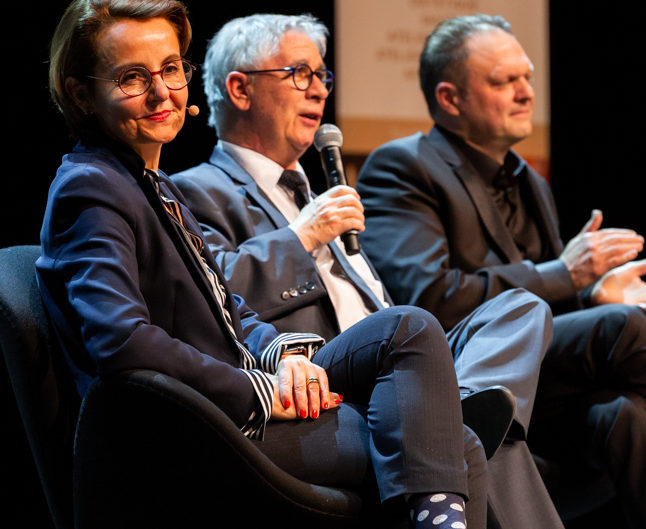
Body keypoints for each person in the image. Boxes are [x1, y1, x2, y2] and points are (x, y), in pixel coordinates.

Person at [35, 2, 508, 528]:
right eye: (131, 78)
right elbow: (121, 342)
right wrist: (258, 391)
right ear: (81, 93)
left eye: (170, 69)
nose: (162, 92)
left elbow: (224, 304)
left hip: (233, 400)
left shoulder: (152, 183)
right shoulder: (90, 186)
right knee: (452, 445)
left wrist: (284, 356)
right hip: (195, 427)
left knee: (411, 333)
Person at [171, 13, 564, 529]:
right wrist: (301, 237)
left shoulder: (316, 192)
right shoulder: (196, 190)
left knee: (520, 308)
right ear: (240, 90)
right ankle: (450, 415)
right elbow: (212, 300)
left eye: (322, 77)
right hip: (322, 372)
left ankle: (455, 405)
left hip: (405, 364)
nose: (317, 92)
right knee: (489, 436)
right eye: (299, 74)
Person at [356, 14, 646, 529]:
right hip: (460, 371)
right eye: (504, 82)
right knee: (625, 331)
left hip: (538, 389)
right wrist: (566, 275)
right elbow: (430, 299)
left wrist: (590, 295)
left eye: (526, 77)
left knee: (625, 415)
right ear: (450, 98)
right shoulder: (403, 166)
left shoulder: (531, 181)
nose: (525, 92)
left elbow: (552, 301)